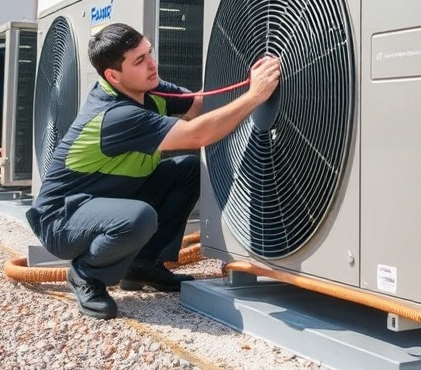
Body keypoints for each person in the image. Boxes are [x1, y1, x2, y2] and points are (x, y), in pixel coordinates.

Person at [26, 22, 281, 320]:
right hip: (62, 218)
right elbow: (198, 135)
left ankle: (144, 264)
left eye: (149, 52)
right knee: (138, 219)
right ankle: (86, 274)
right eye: (139, 61)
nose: (152, 64)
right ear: (113, 76)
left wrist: (250, 77)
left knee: (188, 169)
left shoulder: (149, 88)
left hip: (110, 196)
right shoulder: (115, 115)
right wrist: (254, 96)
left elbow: (199, 106)